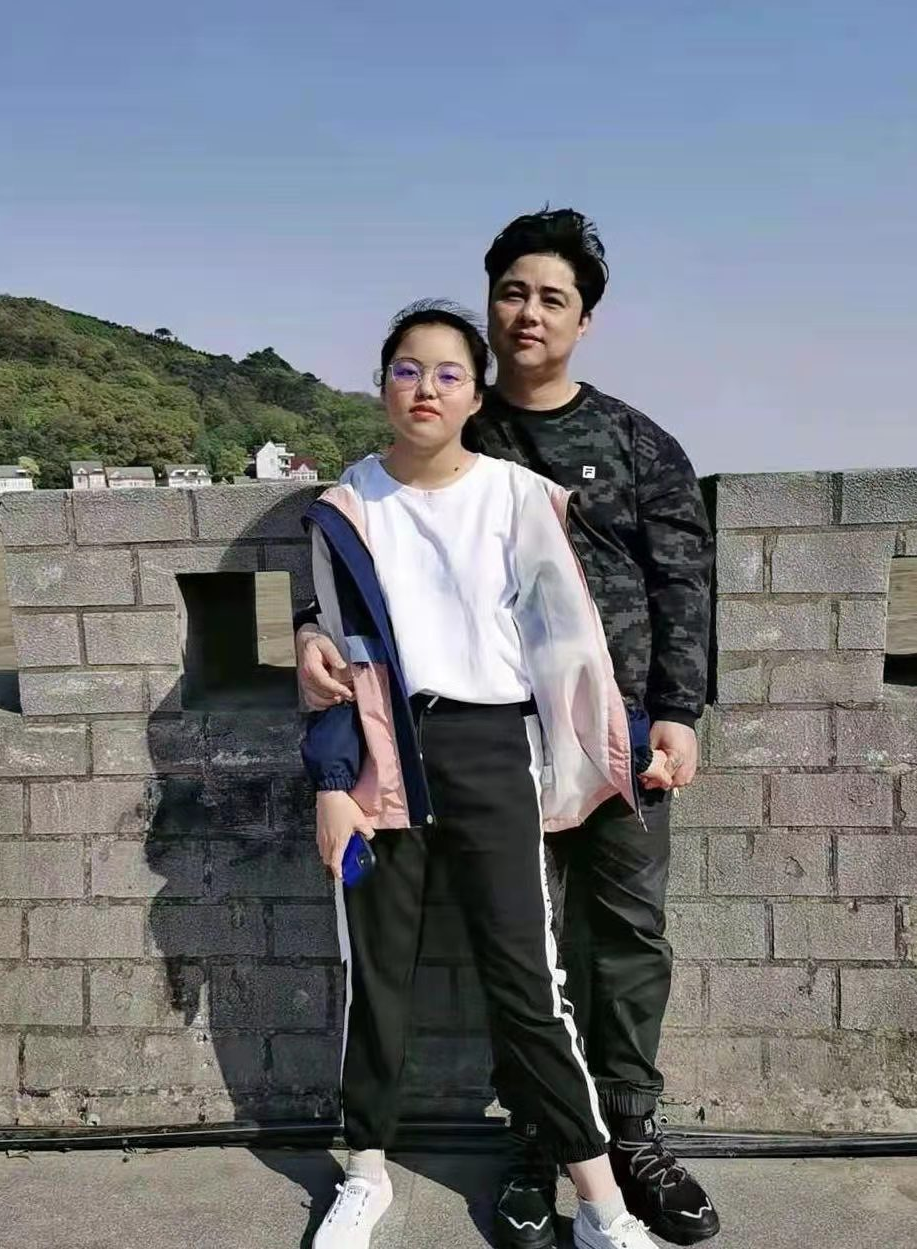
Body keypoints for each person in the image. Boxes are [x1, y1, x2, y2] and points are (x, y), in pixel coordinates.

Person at [297, 210, 718, 1249]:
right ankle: (527, 1147)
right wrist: (309, 638)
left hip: (608, 739)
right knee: (488, 962)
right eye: (514, 292)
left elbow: (682, 582)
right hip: (435, 744)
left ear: (583, 318)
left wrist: (677, 711)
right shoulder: (422, 456)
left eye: (552, 297)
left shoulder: (627, 445)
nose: (529, 312)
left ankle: (627, 1145)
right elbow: (353, 592)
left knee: (617, 939)